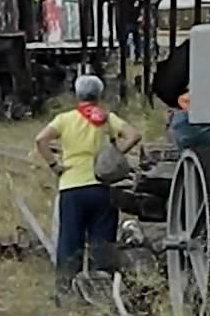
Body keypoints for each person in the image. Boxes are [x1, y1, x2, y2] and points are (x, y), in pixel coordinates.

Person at [34, 75, 141, 304]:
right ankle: (100, 294)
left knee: (70, 242)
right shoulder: (106, 119)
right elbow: (134, 135)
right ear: (99, 95)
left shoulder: (65, 119)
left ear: (77, 94)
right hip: (102, 188)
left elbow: (41, 139)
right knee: (101, 245)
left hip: (72, 188)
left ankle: (65, 292)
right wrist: (114, 154)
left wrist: (54, 164)